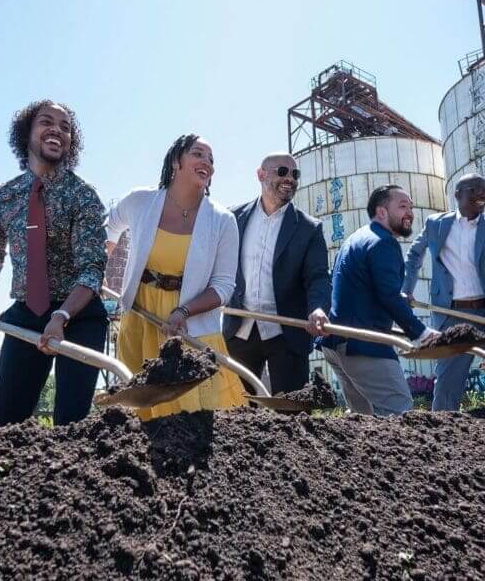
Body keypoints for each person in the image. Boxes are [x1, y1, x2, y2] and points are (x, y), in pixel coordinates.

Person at [0, 101, 109, 426]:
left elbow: (92, 269)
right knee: (8, 423)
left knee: (72, 425)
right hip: (26, 315)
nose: (56, 130)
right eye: (47, 122)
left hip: (79, 315)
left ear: (71, 142)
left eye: (65, 127)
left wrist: (61, 316)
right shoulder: (2, 197)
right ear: (27, 133)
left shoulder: (83, 196)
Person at [105, 135, 247, 420]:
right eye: (198, 154)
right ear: (175, 161)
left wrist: (184, 310)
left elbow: (223, 286)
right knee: (142, 412)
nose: (206, 162)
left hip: (190, 323)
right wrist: (101, 270)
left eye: (211, 159)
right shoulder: (140, 201)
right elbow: (109, 230)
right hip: (141, 319)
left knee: (198, 413)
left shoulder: (222, 220)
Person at [321, 186, 438, 417]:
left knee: (363, 422)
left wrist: (399, 298)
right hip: (362, 345)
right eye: (403, 206)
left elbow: (368, 288)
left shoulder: (355, 239)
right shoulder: (384, 242)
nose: (410, 213)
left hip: (336, 344)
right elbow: (388, 296)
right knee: (400, 413)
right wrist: (421, 333)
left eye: (411, 207)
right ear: (382, 212)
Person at [403, 173, 485, 411]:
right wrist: (406, 291)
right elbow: (414, 255)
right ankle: (440, 434)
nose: (482, 195)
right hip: (451, 316)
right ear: (457, 195)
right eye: (474, 190)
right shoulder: (436, 224)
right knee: (447, 384)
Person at [223, 153, 331, 395]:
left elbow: (318, 277)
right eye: (282, 171)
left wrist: (318, 308)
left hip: (287, 333)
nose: (290, 179)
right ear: (261, 175)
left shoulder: (309, 228)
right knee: (234, 414)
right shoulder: (233, 218)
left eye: (295, 174)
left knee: (291, 413)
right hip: (239, 330)